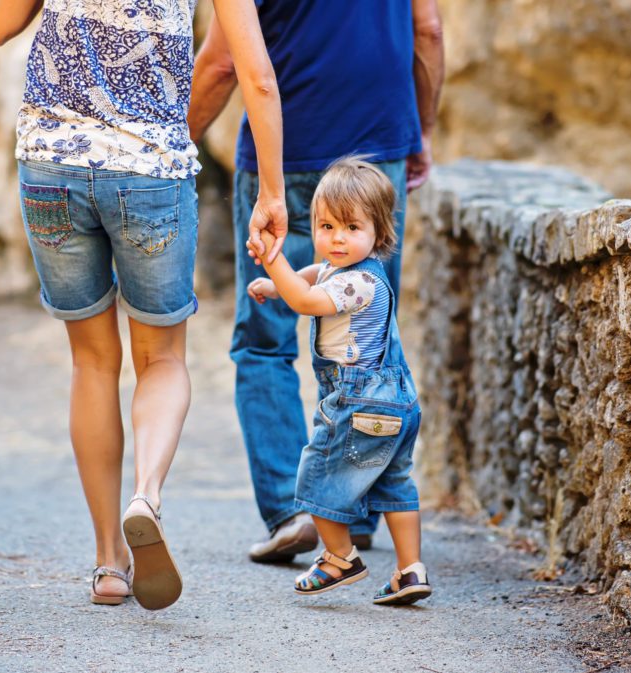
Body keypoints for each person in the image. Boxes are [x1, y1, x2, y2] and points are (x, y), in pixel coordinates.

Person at [0, 0, 287, 610]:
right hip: (148, 169)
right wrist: (272, 193)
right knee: (163, 360)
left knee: (92, 361)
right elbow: (255, 75)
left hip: (50, 166)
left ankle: (108, 563)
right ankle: (145, 495)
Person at [188, 0, 444, 562]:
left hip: (286, 155)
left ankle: (293, 510)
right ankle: (354, 508)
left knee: (265, 344)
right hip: (380, 154)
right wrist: (421, 127)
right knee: (372, 338)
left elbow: (222, 63)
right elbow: (426, 32)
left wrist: (175, 143)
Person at [246, 156, 430, 603]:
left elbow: (310, 300)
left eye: (351, 227)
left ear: (380, 232)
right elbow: (317, 277)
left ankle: (339, 557)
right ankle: (410, 570)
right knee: (392, 483)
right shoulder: (351, 271)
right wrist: (279, 285)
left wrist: (274, 267)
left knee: (315, 475)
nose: (338, 239)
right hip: (395, 400)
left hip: (360, 402)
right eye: (326, 227)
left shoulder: (360, 284)